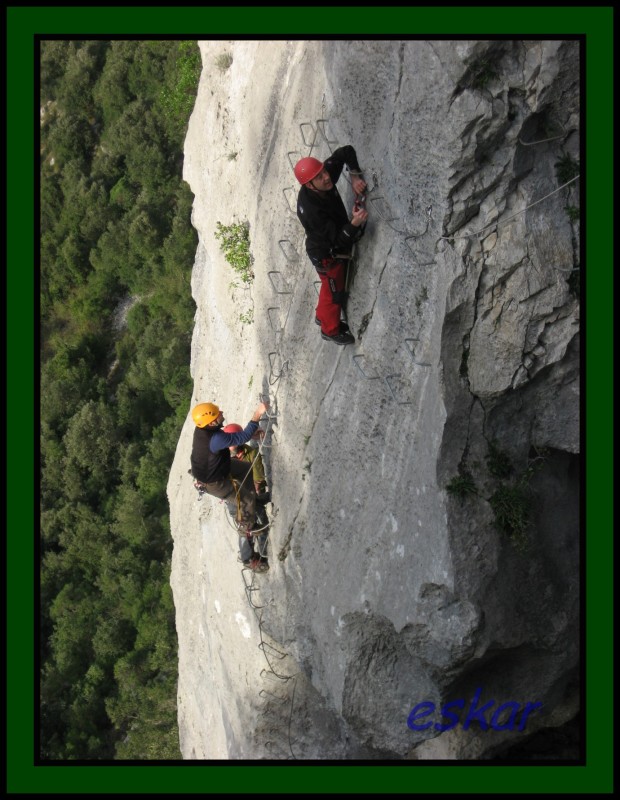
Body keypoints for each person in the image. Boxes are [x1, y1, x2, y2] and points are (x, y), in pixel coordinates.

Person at [294, 146, 368, 345]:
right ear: (309, 185)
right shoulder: (312, 212)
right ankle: (330, 330)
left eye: (324, 172)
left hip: (328, 243)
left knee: (329, 288)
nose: (326, 177)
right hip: (326, 253)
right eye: (319, 177)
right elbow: (336, 242)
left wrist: (353, 175)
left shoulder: (321, 178)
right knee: (334, 291)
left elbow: (345, 152)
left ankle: (321, 316)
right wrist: (353, 225)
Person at [190, 400, 270, 572]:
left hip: (220, 469)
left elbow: (232, 441)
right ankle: (247, 530)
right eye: (217, 414)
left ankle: (253, 503)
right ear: (211, 421)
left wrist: (250, 436)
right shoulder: (214, 438)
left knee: (246, 469)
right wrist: (257, 414)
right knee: (246, 500)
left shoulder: (204, 430)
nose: (222, 413)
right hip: (215, 483)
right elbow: (239, 438)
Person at [223, 423, 269, 496]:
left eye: (233, 442)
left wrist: (256, 489)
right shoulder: (222, 457)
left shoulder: (252, 453)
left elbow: (258, 477)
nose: (230, 446)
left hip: (252, 487)